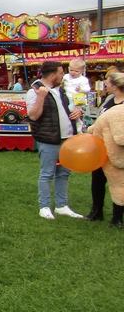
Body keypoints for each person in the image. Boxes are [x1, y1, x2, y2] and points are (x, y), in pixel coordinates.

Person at [26, 61, 84, 220]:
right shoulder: (35, 91)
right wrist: (41, 98)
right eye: (60, 73)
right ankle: (44, 206)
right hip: (49, 139)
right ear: (52, 75)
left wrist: (78, 112)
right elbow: (33, 116)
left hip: (67, 139)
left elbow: (72, 108)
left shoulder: (63, 90)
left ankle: (62, 205)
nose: (63, 76)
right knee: (47, 173)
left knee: (64, 173)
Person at [85, 69, 124, 221]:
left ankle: (117, 217)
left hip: (117, 152)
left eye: (108, 82)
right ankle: (96, 211)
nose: (105, 84)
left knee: (119, 184)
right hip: (101, 149)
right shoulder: (109, 100)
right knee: (97, 180)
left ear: (115, 86)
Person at [62, 58, 91, 133]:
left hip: (77, 99)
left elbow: (88, 89)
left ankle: (78, 128)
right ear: (68, 68)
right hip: (67, 97)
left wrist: (81, 89)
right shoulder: (66, 77)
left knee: (74, 114)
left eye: (76, 71)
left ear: (82, 71)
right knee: (67, 113)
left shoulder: (83, 80)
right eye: (71, 70)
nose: (73, 72)